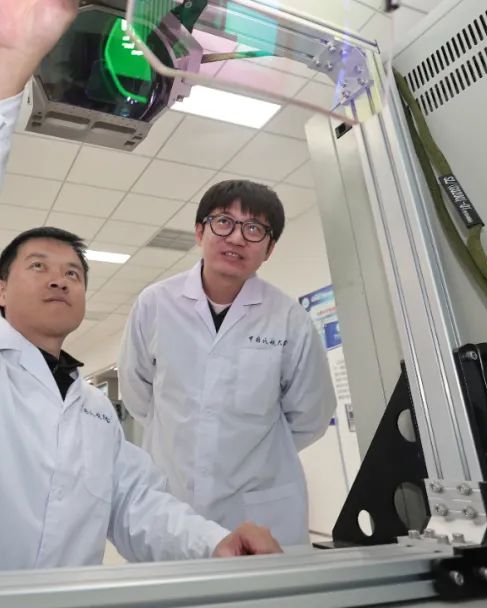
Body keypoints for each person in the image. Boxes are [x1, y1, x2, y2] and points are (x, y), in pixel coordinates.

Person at [0, 0, 282, 576]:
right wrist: (5, 64)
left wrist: (213, 543)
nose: (60, 280)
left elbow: (138, 507)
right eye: (38, 267)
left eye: (73, 272)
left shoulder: (95, 411)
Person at [118, 180, 336, 547]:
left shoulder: (288, 318)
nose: (236, 238)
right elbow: (137, 393)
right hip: (174, 500)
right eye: (223, 222)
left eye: (254, 229)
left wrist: (250, 453)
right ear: (199, 231)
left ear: (269, 249)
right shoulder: (155, 304)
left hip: (259, 505)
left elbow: (311, 415)